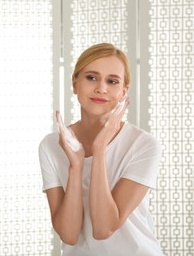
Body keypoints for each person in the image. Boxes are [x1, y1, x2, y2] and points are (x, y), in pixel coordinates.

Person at [39, 43, 163, 255]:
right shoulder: (51, 145)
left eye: (112, 81)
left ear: (124, 91)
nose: (101, 88)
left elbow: (104, 228)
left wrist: (99, 151)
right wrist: (76, 166)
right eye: (91, 77)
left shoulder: (143, 145)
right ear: (74, 83)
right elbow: (69, 234)